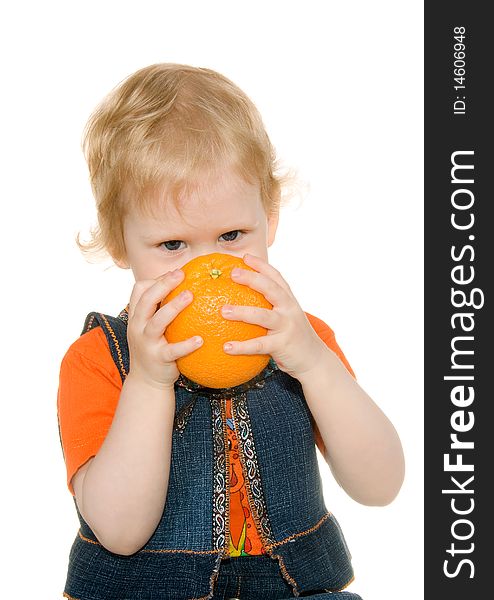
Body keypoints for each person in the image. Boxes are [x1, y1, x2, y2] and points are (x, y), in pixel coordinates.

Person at [57, 63, 405, 600]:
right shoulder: (99, 358)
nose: (208, 267)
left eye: (231, 235)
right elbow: (120, 533)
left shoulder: (302, 340)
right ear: (119, 243)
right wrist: (148, 383)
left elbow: (381, 485)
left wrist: (315, 367)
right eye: (173, 245)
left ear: (270, 218)